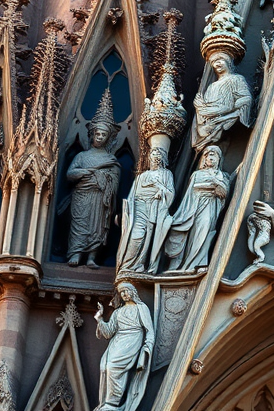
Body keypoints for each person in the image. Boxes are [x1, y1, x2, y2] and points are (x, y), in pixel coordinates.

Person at [66, 90, 121, 267]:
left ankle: (91, 257)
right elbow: (70, 174)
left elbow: (115, 179)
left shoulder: (111, 160)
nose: (99, 137)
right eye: (97, 134)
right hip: (83, 195)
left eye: (103, 135)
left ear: (109, 138)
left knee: (99, 227)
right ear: (92, 134)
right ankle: (75, 253)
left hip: (100, 198)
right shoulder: (82, 156)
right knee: (80, 223)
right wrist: (86, 172)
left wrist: (106, 180)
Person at [165, 146, 230, 271]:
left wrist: (218, 187)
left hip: (211, 207)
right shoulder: (197, 174)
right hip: (195, 207)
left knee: (205, 229)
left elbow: (224, 192)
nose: (210, 158)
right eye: (208, 155)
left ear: (218, 159)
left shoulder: (222, 175)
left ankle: (199, 263)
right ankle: (188, 264)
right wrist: (212, 186)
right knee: (193, 232)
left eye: (213, 155)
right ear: (204, 159)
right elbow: (192, 191)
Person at [94, 282, 154, 411]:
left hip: (132, 339)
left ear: (133, 292)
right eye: (122, 292)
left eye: (126, 291)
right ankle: (105, 403)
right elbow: (109, 332)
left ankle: (112, 403)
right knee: (104, 367)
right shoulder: (118, 312)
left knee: (113, 367)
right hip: (117, 340)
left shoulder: (141, 308)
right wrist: (99, 319)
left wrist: (147, 347)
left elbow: (149, 330)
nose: (124, 294)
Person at [117, 147, 174, 275]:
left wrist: (161, 190)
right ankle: (127, 265)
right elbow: (133, 195)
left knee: (148, 236)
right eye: (153, 153)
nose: (155, 156)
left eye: (158, 153)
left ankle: (139, 264)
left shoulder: (166, 174)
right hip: (139, 205)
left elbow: (170, 193)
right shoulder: (142, 175)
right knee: (137, 235)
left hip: (154, 206)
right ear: (149, 157)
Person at [192, 50, 252, 153]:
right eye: (214, 62)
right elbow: (203, 108)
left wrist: (228, 108)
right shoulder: (211, 86)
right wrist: (202, 108)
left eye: (220, 60)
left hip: (227, 119)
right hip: (210, 122)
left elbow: (246, 98)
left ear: (228, 62)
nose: (217, 64)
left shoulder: (236, 79)